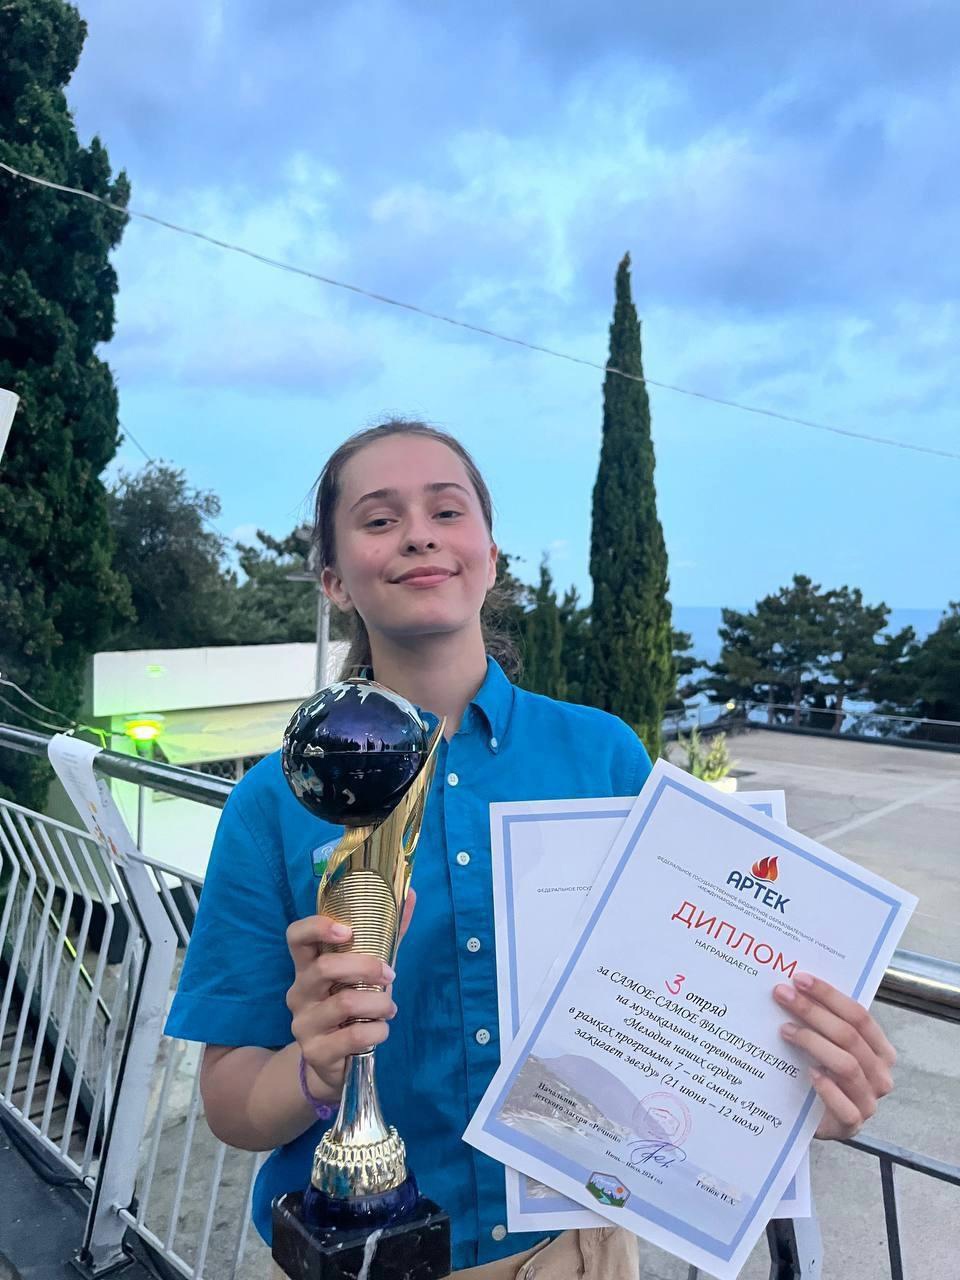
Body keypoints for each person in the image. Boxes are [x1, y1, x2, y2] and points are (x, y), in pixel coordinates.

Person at [165, 419, 897, 1279]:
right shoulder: (276, 801)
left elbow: (693, 998)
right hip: (359, 1259)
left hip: (575, 1253)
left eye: (447, 511)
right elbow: (231, 1103)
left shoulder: (603, 757)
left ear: (491, 555)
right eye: (379, 519)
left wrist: (795, 1087)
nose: (419, 535)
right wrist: (315, 1069)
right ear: (333, 579)